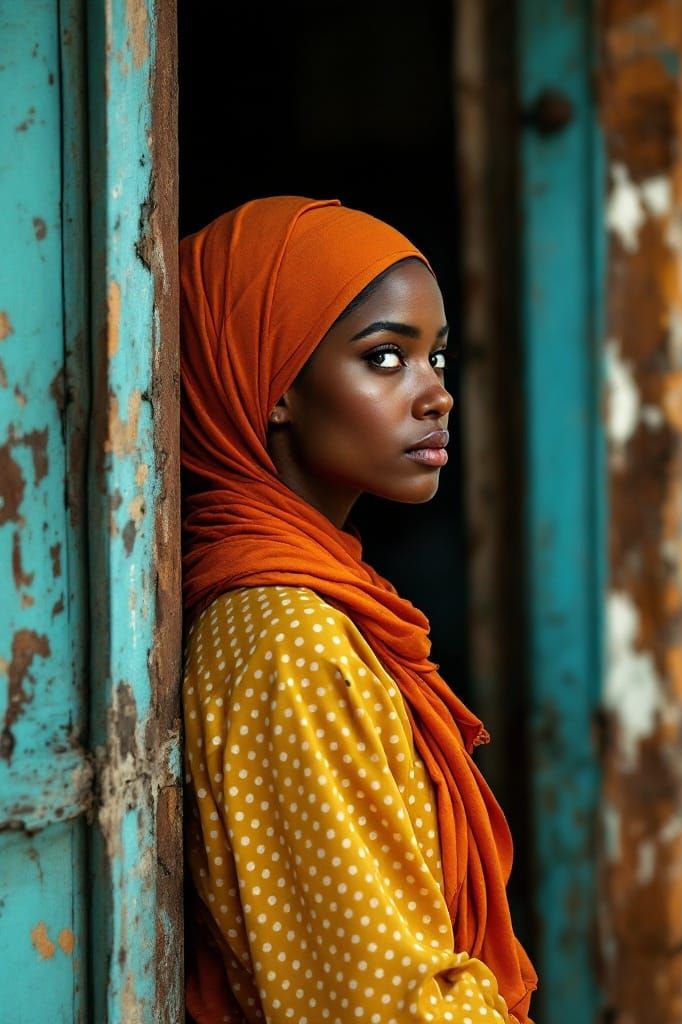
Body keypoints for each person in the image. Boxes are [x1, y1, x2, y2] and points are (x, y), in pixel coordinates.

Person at [180, 196, 537, 1024]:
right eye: (385, 358)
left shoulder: (320, 599)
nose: (438, 395)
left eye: (436, 357)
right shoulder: (290, 640)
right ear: (273, 384)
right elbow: (382, 1003)